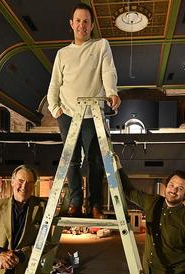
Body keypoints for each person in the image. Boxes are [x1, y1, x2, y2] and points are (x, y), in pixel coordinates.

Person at [47, 2, 121, 219]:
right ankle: (75, 202)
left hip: (93, 114)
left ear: (91, 25)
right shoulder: (62, 54)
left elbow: (108, 70)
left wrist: (112, 92)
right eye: (78, 21)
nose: (82, 25)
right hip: (67, 113)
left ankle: (95, 205)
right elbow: (54, 83)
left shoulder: (101, 46)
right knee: (71, 161)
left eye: (86, 21)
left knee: (96, 161)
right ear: (71, 24)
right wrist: (55, 109)